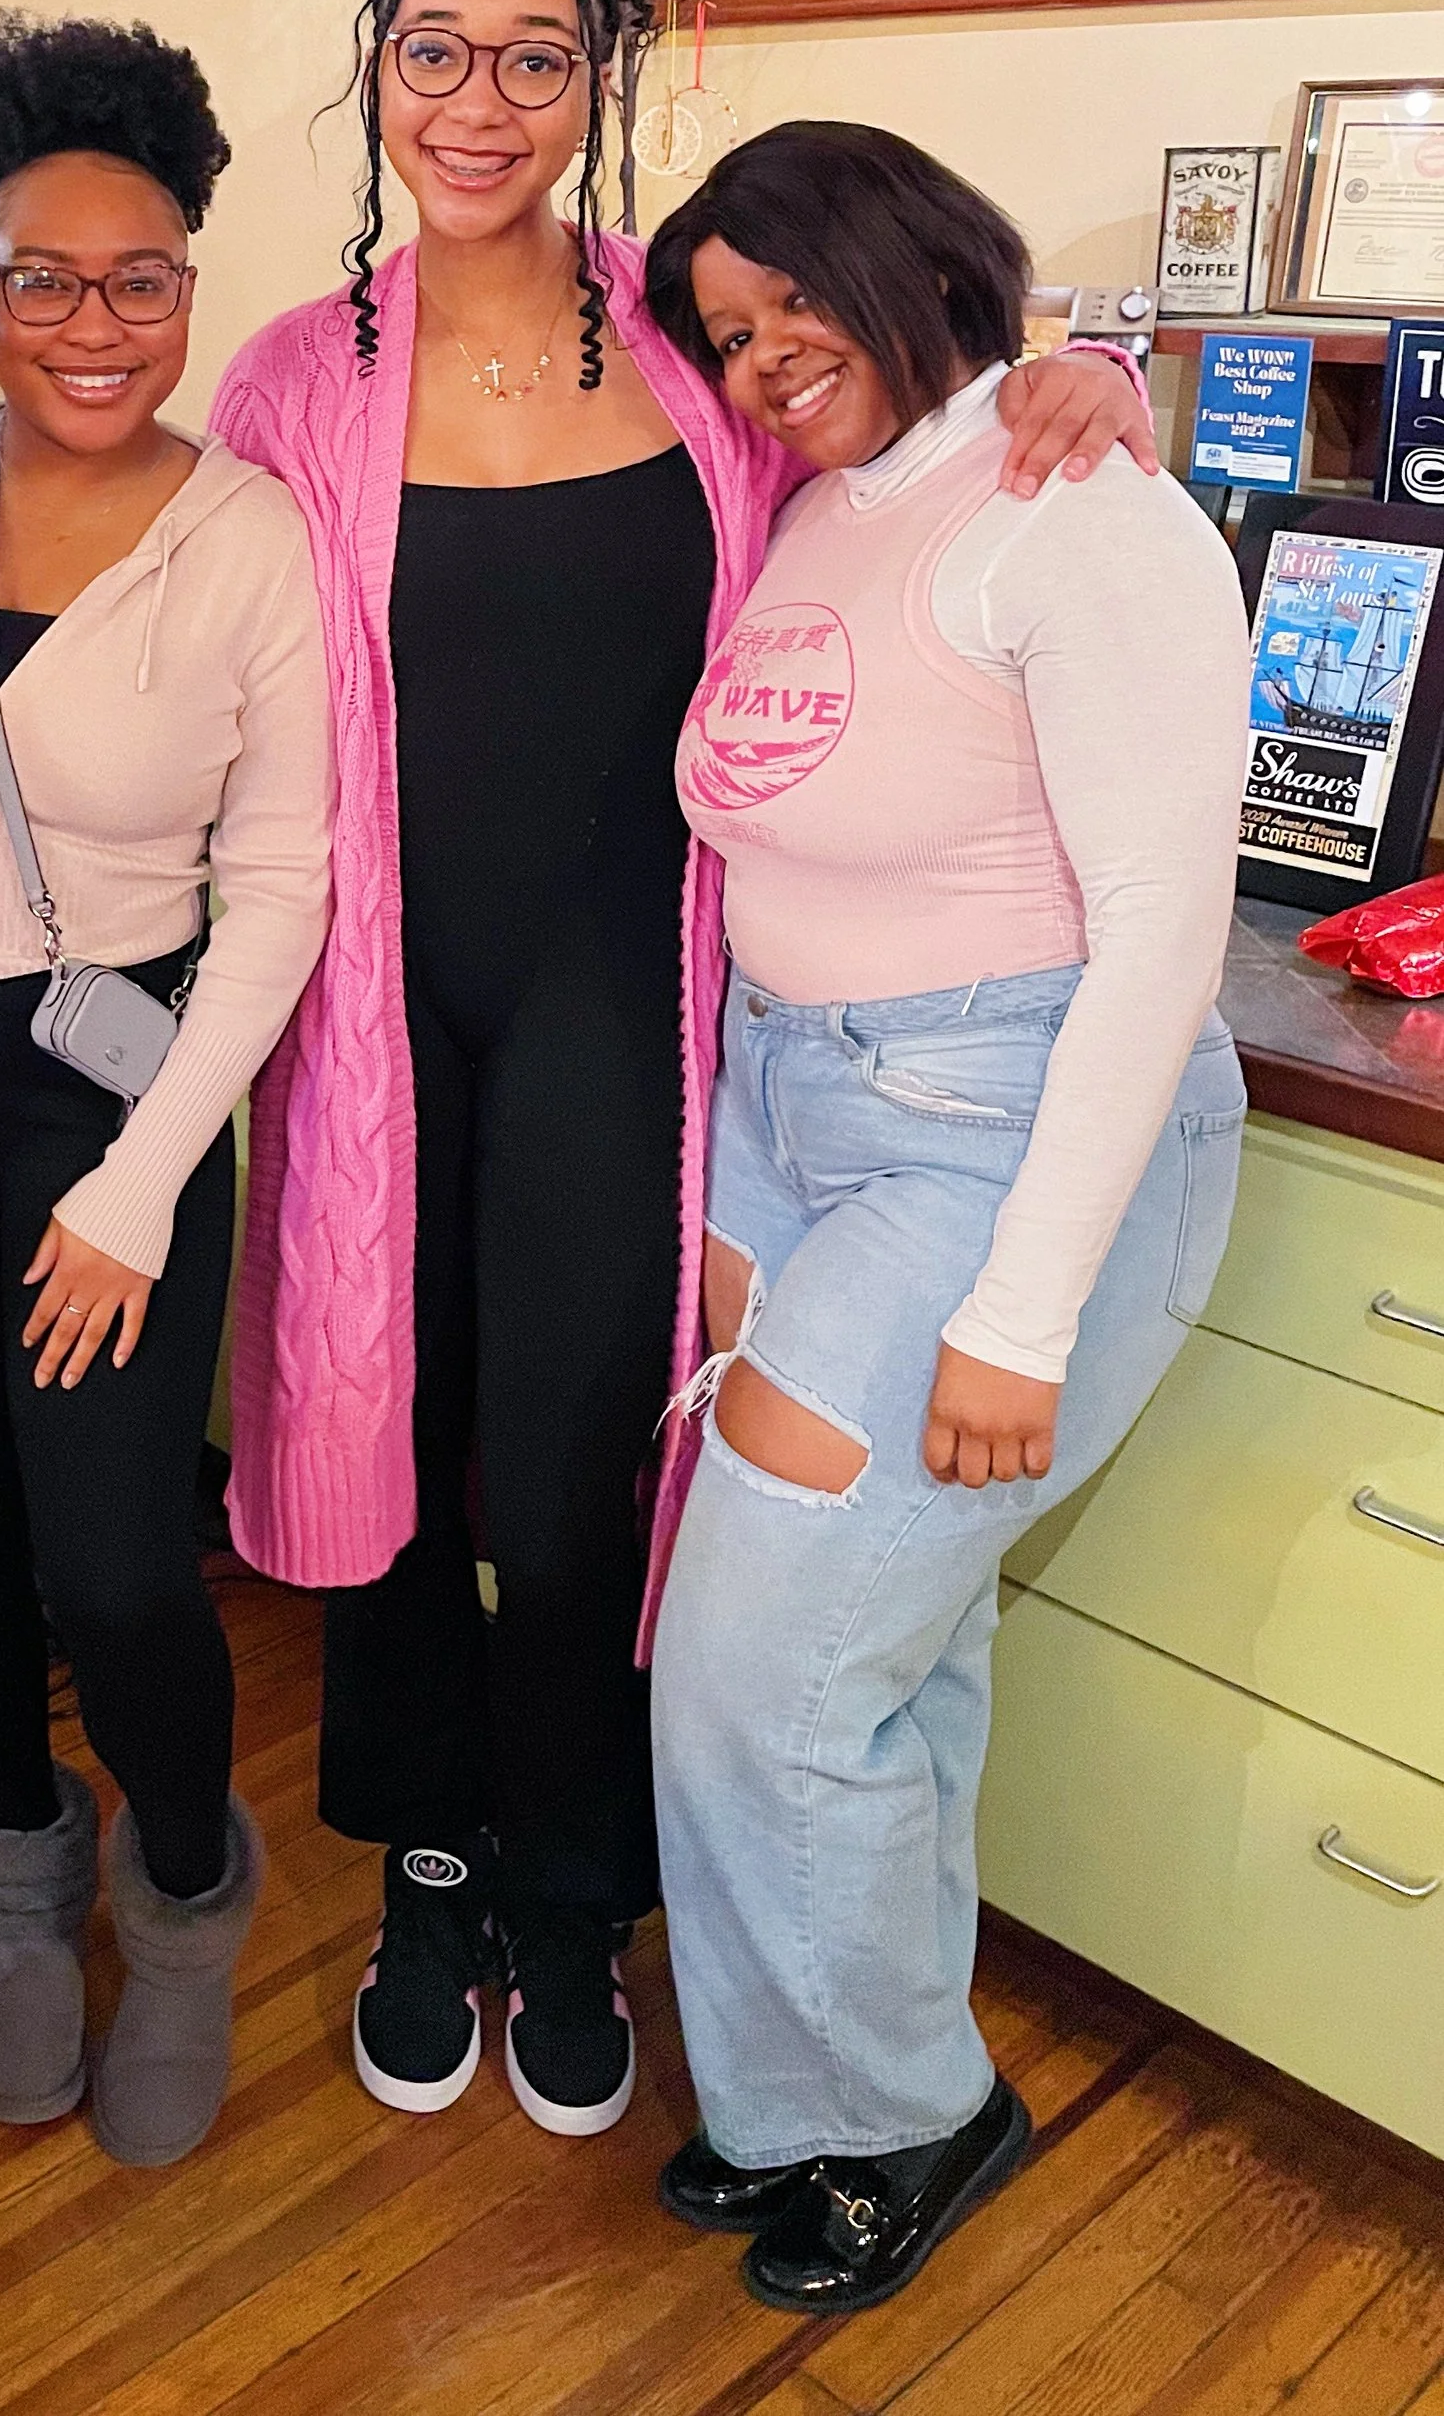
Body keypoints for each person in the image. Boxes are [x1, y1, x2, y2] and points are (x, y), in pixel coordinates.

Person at [204, 0, 1162, 2142]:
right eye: (434, 45)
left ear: (594, 85)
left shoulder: (688, 341)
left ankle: (570, 1885)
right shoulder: (284, 377)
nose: (478, 98)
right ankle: (429, 1869)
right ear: (373, 66)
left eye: (534, 54)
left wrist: (1082, 371)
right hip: (367, 1018)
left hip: (637, 998)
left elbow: (907, 442)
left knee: (575, 1448)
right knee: (401, 1430)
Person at [641, 124, 1248, 2311]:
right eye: (726, 332)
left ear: (909, 258)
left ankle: (905, 2110)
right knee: (888, 1655)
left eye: (794, 297)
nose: (763, 354)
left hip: (1001, 1138)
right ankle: (813, 2097)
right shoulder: (817, 501)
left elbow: (1166, 929)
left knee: (755, 1669)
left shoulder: (1073, 507)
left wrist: (1018, 1305)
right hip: (802, 1116)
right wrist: (729, 1179)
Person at [0, 15, 331, 2168]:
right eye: (39, 277)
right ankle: (14, 1876)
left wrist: (135, 1184)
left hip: (114, 1084)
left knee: (114, 1554)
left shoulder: (253, 544)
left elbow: (277, 896)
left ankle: (182, 1893)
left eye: (138, 278)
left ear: (189, 279)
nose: (91, 325)